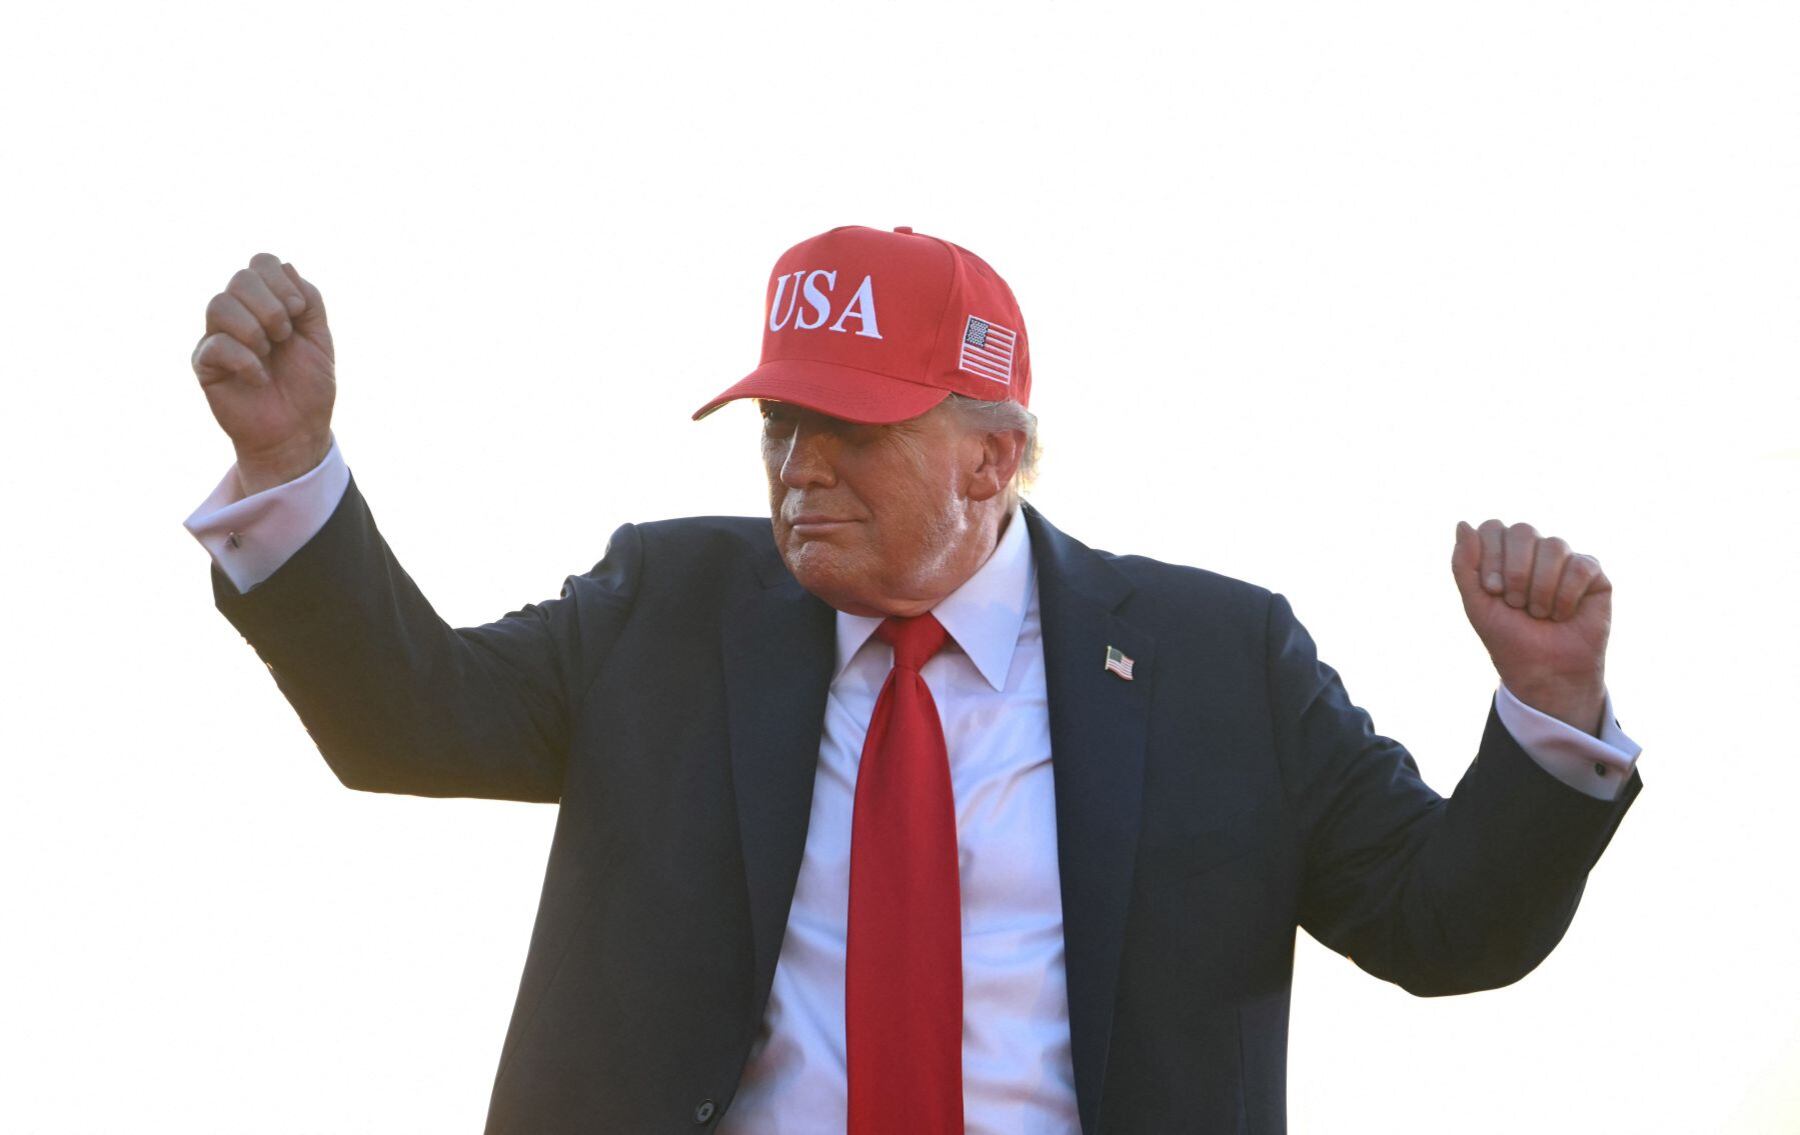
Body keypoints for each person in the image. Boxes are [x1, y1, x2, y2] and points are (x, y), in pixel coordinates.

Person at [185, 225, 1642, 1135]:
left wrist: (1550, 715)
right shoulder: (666, 609)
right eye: (778, 426)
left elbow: (1446, 924)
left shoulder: (1219, 663)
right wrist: (289, 468)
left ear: (993, 458)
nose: (798, 466)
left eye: (851, 428)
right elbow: (408, 717)